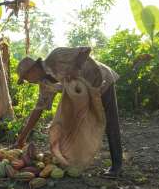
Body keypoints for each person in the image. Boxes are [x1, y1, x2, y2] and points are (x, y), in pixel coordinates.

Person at [14, 47, 122, 176]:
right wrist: (22, 137)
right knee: (76, 125)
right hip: (85, 94)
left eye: (26, 77)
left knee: (111, 123)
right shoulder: (45, 84)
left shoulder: (56, 56)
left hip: (101, 79)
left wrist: (74, 69)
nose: (28, 81)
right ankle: (74, 161)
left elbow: (85, 51)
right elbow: (38, 110)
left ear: (34, 69)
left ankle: (117, 166)